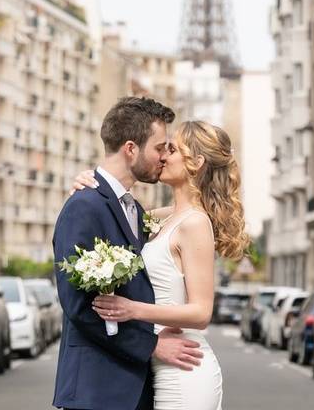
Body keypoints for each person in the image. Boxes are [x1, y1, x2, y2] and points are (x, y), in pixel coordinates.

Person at [71, 120, 250, 410]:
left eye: (173, 149)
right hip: (159, 366)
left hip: (185, 367)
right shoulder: (162, 218)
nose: (163, 156)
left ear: (196, 162)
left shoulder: (195, 223)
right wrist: (88, 183)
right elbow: (113, 212)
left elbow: (201, 312)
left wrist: (133, 310)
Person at [52, 97, 205, 410]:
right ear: (131, 149)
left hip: (138, 389)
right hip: (98, 392)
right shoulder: (84, 207)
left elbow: (189, 216)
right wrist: (151, 347)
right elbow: (80, 308)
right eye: (160, 147)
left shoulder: (134, 209)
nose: (164, 157)